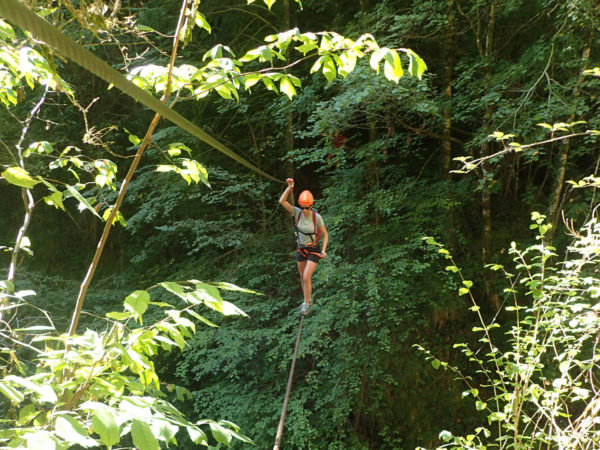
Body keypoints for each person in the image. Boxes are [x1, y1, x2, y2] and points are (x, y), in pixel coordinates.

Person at [279, 178, 328, 315]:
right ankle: (307, 298)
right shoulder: (297, 213)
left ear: (311, 206)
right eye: (303, 207)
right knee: (302, 277)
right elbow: (282, 201)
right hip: (301, 248)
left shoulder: (316, 217)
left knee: (307, 276)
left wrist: (323, 250)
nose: (305, 210)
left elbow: (325, 234)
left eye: (307, 208)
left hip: (313, 249)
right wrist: (290, 187)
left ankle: (307, 303)